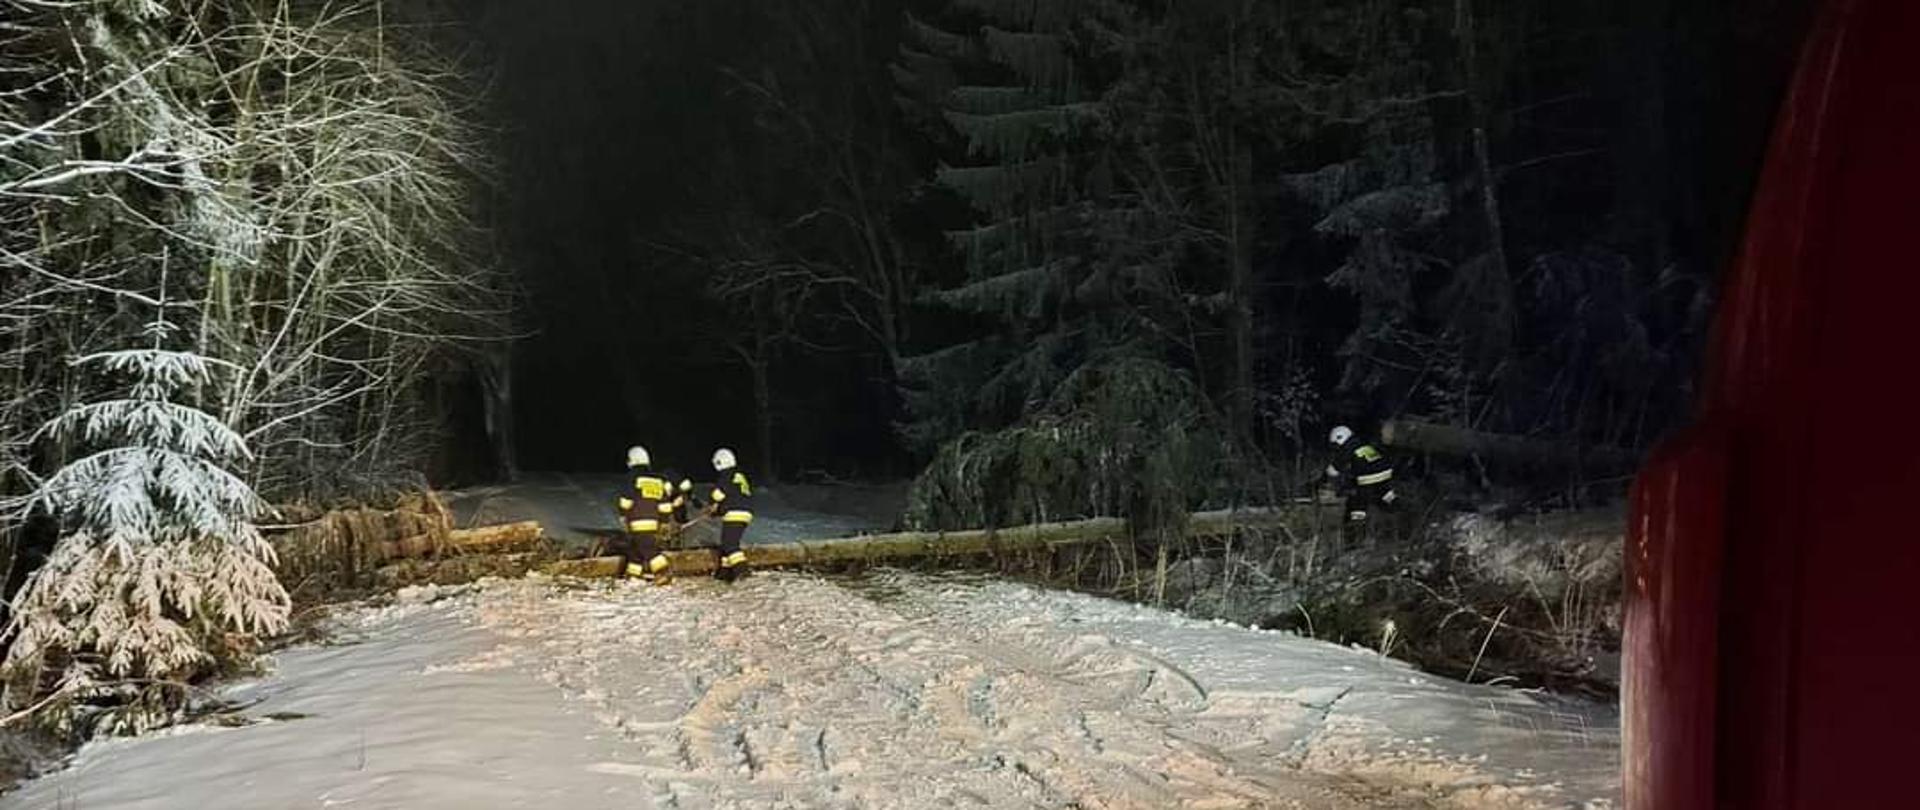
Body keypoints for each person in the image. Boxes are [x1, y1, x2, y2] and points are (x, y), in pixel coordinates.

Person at [1325, 425, 1397, 543]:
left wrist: (1325, 477)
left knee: (1357, 503)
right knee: (1386, 495)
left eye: (1335, 445)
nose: (1335, 448)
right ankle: (1399, 512)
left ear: (1340, 439)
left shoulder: (1347, 448)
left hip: (1368, 479)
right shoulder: (1362, 445)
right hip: (1385, 475)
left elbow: (1334, 470)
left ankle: (1354, 536)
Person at [614, 445, 673, 583]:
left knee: (647, 548)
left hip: (637, 518)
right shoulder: (658, 479)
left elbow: (626, 500)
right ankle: (633, 576)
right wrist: (664, 521)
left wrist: (623, 514)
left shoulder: (633, 477)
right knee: (635, 548)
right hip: (654, 520)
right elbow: (665, 504)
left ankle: (663, 571)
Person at [704, 447, 753, 582]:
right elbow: (733, 495)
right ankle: (724, 573)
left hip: (734, 512)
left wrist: (711, 504)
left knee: (730, 544)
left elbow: (718, 494)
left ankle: (742, 572)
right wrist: (718, 511)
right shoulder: (739, 475)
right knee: (727, 543)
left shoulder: (727, 474)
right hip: (745, 511)